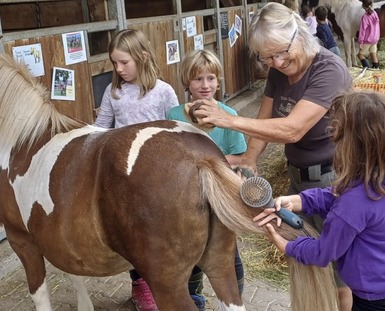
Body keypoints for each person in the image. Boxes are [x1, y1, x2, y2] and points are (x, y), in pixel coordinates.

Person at [189, 3, 353, 310]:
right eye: (267, 58)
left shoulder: (329, 70)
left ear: (299, 34)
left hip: (333, 179)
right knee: (301, 255)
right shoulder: (279, 71)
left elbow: (293, 130)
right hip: (298, 176)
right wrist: (250, 158)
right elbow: (265, 121)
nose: (276, 62)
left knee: (340, 270)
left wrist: (229, 119)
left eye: (281, 52)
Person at [252, 90, 385, 311]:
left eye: (337, 135)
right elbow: (340, 194)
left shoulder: (355, 203)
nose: (333, 139)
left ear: (352, 145)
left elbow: (324, 252)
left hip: (380, 301)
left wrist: (288, 246)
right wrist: (299, 200)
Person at [93, 28, 178, 311]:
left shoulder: (164, 92)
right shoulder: (113, 91)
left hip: (158, 176)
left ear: (142, 57)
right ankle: (140, 285)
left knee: (160, 231)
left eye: (123, 62)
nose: (118, 69)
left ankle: (165, 282)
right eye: (114, 63)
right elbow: (101, 128)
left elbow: (177, 131)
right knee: (132, 233)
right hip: (123, 177)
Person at [166, 49, 246, 311]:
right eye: (198, 79)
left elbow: (239, 156)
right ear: (187, 82)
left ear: (219, 82)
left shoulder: (228, 114)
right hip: (184, 197)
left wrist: (208, 165)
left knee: (227, 250)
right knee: (188, 251)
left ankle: (235, 297)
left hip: (220, 195)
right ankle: (194, 300)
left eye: (211, 78)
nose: (205, 85)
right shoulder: (173, 115)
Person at [357, 0, 380, 70]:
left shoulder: (365, 17)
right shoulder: (375, 13)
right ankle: (376, 68)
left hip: (368, 39)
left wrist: (360, 41)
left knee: (360, 55)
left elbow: (362, 30)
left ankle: (367, 68)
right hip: (375, 38)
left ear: (363, 6)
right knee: (373, 53)